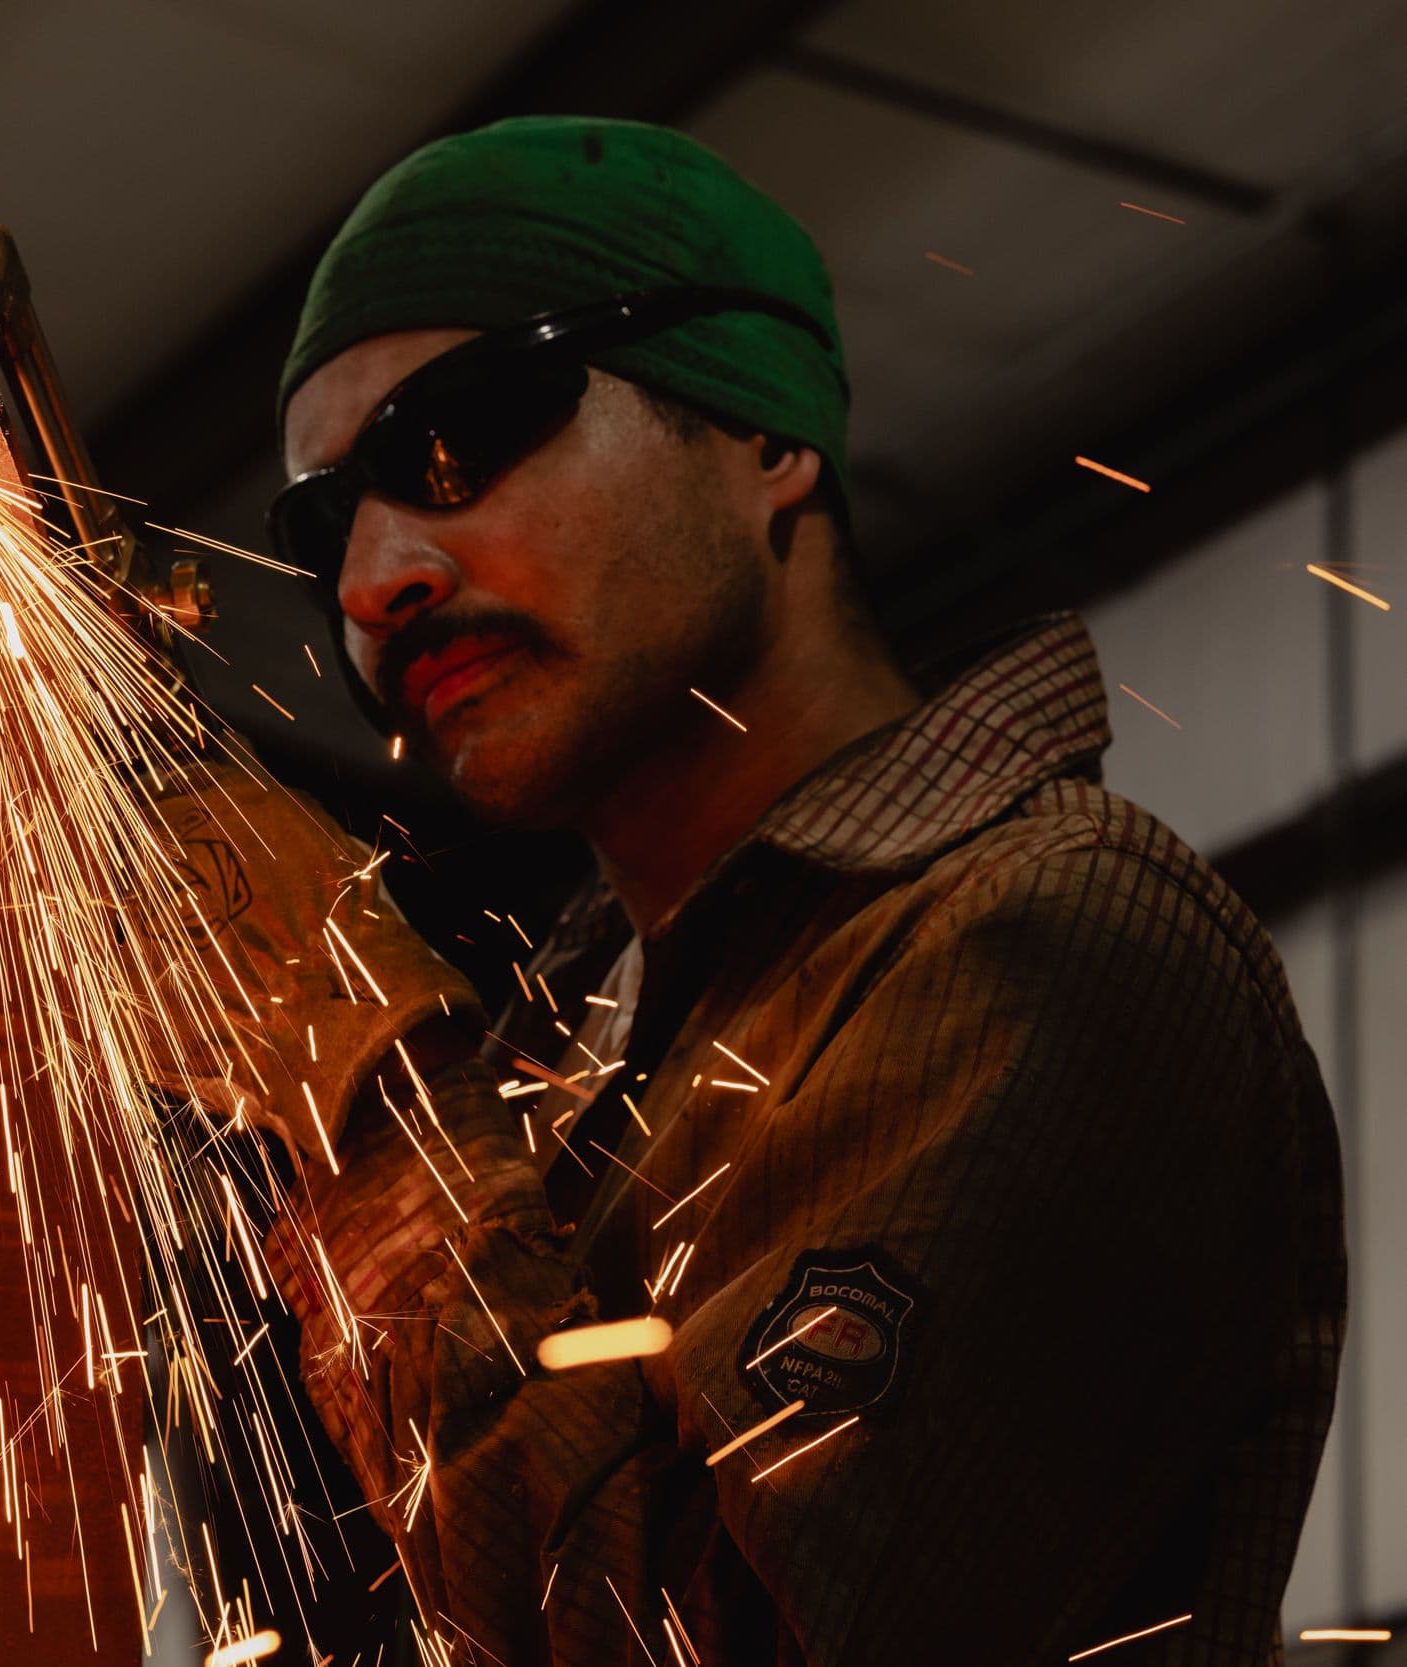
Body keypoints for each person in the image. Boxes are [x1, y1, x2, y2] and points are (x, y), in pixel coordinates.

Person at [156, 116, 1345, 1666]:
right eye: (327, 524)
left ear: (764, 437)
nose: (378, 582)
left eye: (455, 441)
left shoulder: (1047, 936)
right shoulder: (564, 1057)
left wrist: (364, 1067)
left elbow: (712, 1637)